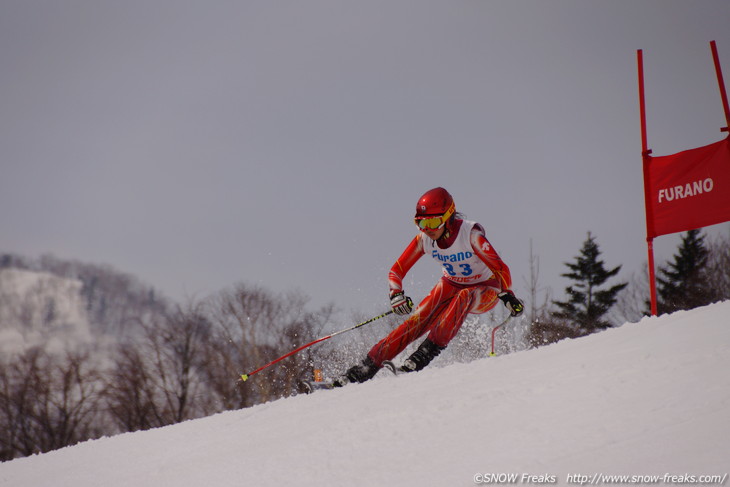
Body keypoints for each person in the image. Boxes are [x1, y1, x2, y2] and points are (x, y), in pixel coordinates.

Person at [334, 187, 524, 386]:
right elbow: (396, 271)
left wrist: (507, 295)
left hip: (486, 290)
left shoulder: (470, 235)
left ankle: (423, 355)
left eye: (432, 222)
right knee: (418, 319)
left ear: (449, 216)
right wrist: (396, 294)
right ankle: (365, 368)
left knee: (465, 295)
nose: (427, 229)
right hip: (451, 284)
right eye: (421, 223)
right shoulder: (425, 239)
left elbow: (501, 267)